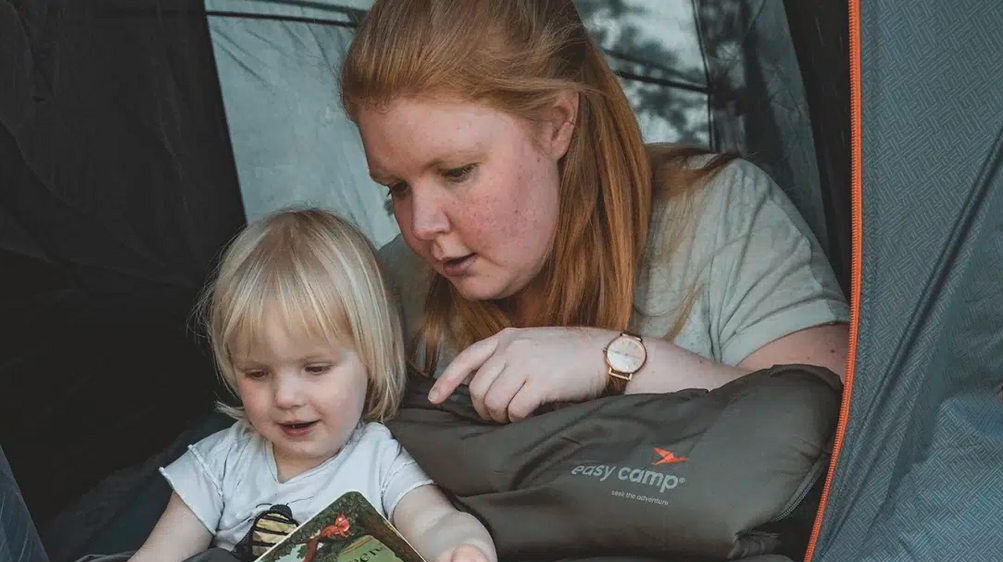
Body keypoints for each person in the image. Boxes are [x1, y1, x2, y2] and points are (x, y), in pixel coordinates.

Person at [56, 208, 499, 562]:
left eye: (314, 368)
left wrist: (468, 558)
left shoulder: (378, 459)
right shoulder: (221, 462)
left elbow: (438, 523)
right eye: (258, 374)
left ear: (370, 358)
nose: (286, 396)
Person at [340, 0, 851, 424]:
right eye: (396, 188)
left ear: (556, 124)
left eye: (456, 172)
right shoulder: (387, 290)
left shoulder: (721, 216)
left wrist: (615, 361)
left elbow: (842, 435)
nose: (422, 225)